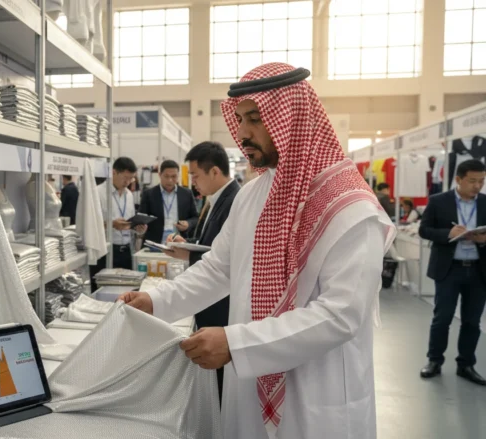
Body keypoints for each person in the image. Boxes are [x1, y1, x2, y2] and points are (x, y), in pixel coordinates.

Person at [118, 63, 394, 439]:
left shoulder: (351, 208)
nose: (243, 133)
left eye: (256, 118)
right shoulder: (253, 194)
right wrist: (156, 301)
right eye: (239, 119)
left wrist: (237, 343)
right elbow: (218, 268)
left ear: (292, 119)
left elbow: (341, 315)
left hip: (316, 397)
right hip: (248, 385)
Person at [163, 141, 241, 401]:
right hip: (210, 304)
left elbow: (225, 261)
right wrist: (189, 248)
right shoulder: (215, 200)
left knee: (222, 387)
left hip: (221, 307)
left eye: (196, 175)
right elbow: (212, 245)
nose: (192, 181)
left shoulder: (234, 201)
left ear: (215, 172)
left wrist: (189, 252)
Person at [418, 159, 486, 385]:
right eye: (473, 181)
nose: (477, 186)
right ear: (458, 179)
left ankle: (466, 364)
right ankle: (434, 361)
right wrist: (447, 233)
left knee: (472, 321)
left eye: (482, 181)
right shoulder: (439, 201)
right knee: (442, 318)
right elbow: (424, 229)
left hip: (478, 271)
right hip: (449, 270)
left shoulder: (485, 202)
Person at [89, 157, 146, 290]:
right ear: (114, 172)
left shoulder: (129, 195)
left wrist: (137, 228)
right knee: (103, 291)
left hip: (126, 251)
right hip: (105, 251)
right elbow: (91, 224)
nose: (128, 182)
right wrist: (112, 224)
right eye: (125, 177)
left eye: (131, 178)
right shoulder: (98, 193)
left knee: (126, 291)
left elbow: (130, 222)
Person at [138, 159, 199, 244]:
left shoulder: (186, 194)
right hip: (154, 243)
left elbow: (195, 218)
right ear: (160, 175)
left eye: (174, 176)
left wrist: (188, 224)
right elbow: (141, 217)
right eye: (166, 176)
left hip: (178, 242)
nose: (170, 180)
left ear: (178, 176)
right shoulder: (149, 194)